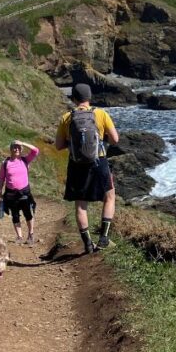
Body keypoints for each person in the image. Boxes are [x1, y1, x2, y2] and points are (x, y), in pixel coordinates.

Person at [54, 83, 119, 254]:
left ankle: (88, 244)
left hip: (76, 164)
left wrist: (74, 143)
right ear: (89, 97)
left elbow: (59, 145)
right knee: (110, 197)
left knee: (81, 205)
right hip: (100, 161)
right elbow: (115, 140)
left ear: (74, 99)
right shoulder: (101, 114)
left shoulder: (67, 117)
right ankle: (104, 238)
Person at [0, 140, 39, 245]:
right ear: (10, 149)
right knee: (15, 216)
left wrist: (23, 143)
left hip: (24, 192)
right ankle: (19, 237)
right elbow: (2, 178)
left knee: (28, 214)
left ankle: (30, 235)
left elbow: (35, 151)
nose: (16, 149)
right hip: (10, 194)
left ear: (21, 149)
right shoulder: (5, 163)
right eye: (14, 147)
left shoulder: (25, 160)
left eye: (18, 148)